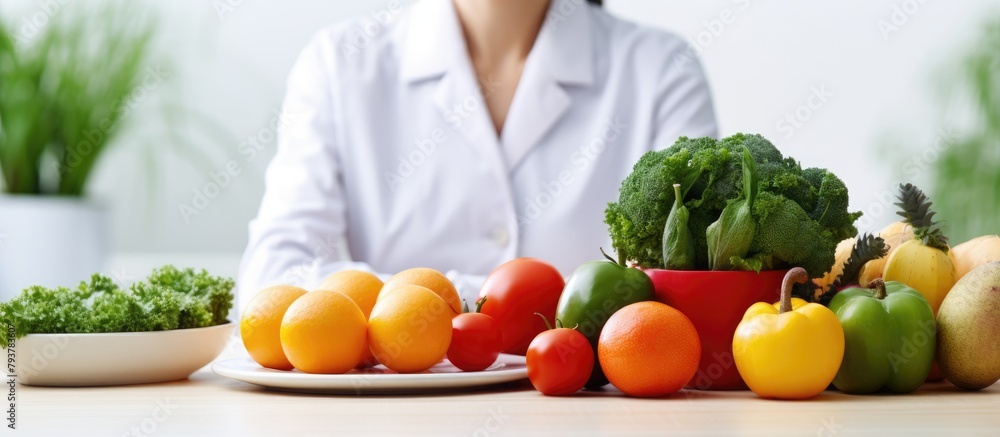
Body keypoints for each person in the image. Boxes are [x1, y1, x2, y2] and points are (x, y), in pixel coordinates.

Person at [237, 0, 717, 306]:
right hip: (397, 408)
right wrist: (480, 301)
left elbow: (693, 284)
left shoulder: (661, 69)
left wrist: (411, 304)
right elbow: (272, 279)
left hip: (596, 410)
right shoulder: (338, 63)